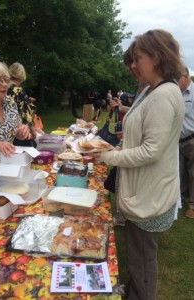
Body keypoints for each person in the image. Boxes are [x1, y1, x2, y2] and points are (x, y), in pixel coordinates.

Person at [89, 29, 185, 300]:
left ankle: (142, 294)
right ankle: (134, 290)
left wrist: (111, 156)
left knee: (143, 257)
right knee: (136, 253)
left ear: (157, 57)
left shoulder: (164, 95)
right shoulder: (151, 91)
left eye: (138, 58)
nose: (132, 65)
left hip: (149, 194)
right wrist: (119, 145)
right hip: (143, 190)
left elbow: (151, 151)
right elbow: (142, 134)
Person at [8, 62, 37, 147]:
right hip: (20, 132)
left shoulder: (4, 89)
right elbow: (26, 113)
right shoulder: (18, 90)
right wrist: (33, 130)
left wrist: (27, 100)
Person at [178, 66, 194, 218]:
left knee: (193, 173)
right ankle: (180, 199)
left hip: (192, 139)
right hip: (178, 141)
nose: (176, 82)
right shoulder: (177, 93)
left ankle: (192, 205)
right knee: (180, 171)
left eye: (178, 79)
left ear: (186, 76)